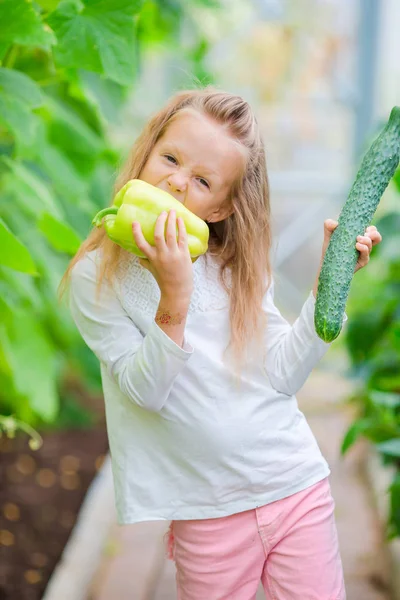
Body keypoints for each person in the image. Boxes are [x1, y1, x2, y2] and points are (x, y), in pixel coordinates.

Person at [60, 87, 382, 599]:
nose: (178, 181)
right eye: (170, 158)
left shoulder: (235, 266)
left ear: (220, 207)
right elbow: (145, 393)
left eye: (204, 180)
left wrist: (329, 285)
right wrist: (174, 297)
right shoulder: (98, 278)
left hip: (293, 485)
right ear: (146, 153)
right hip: (207, 512)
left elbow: (283, 374)